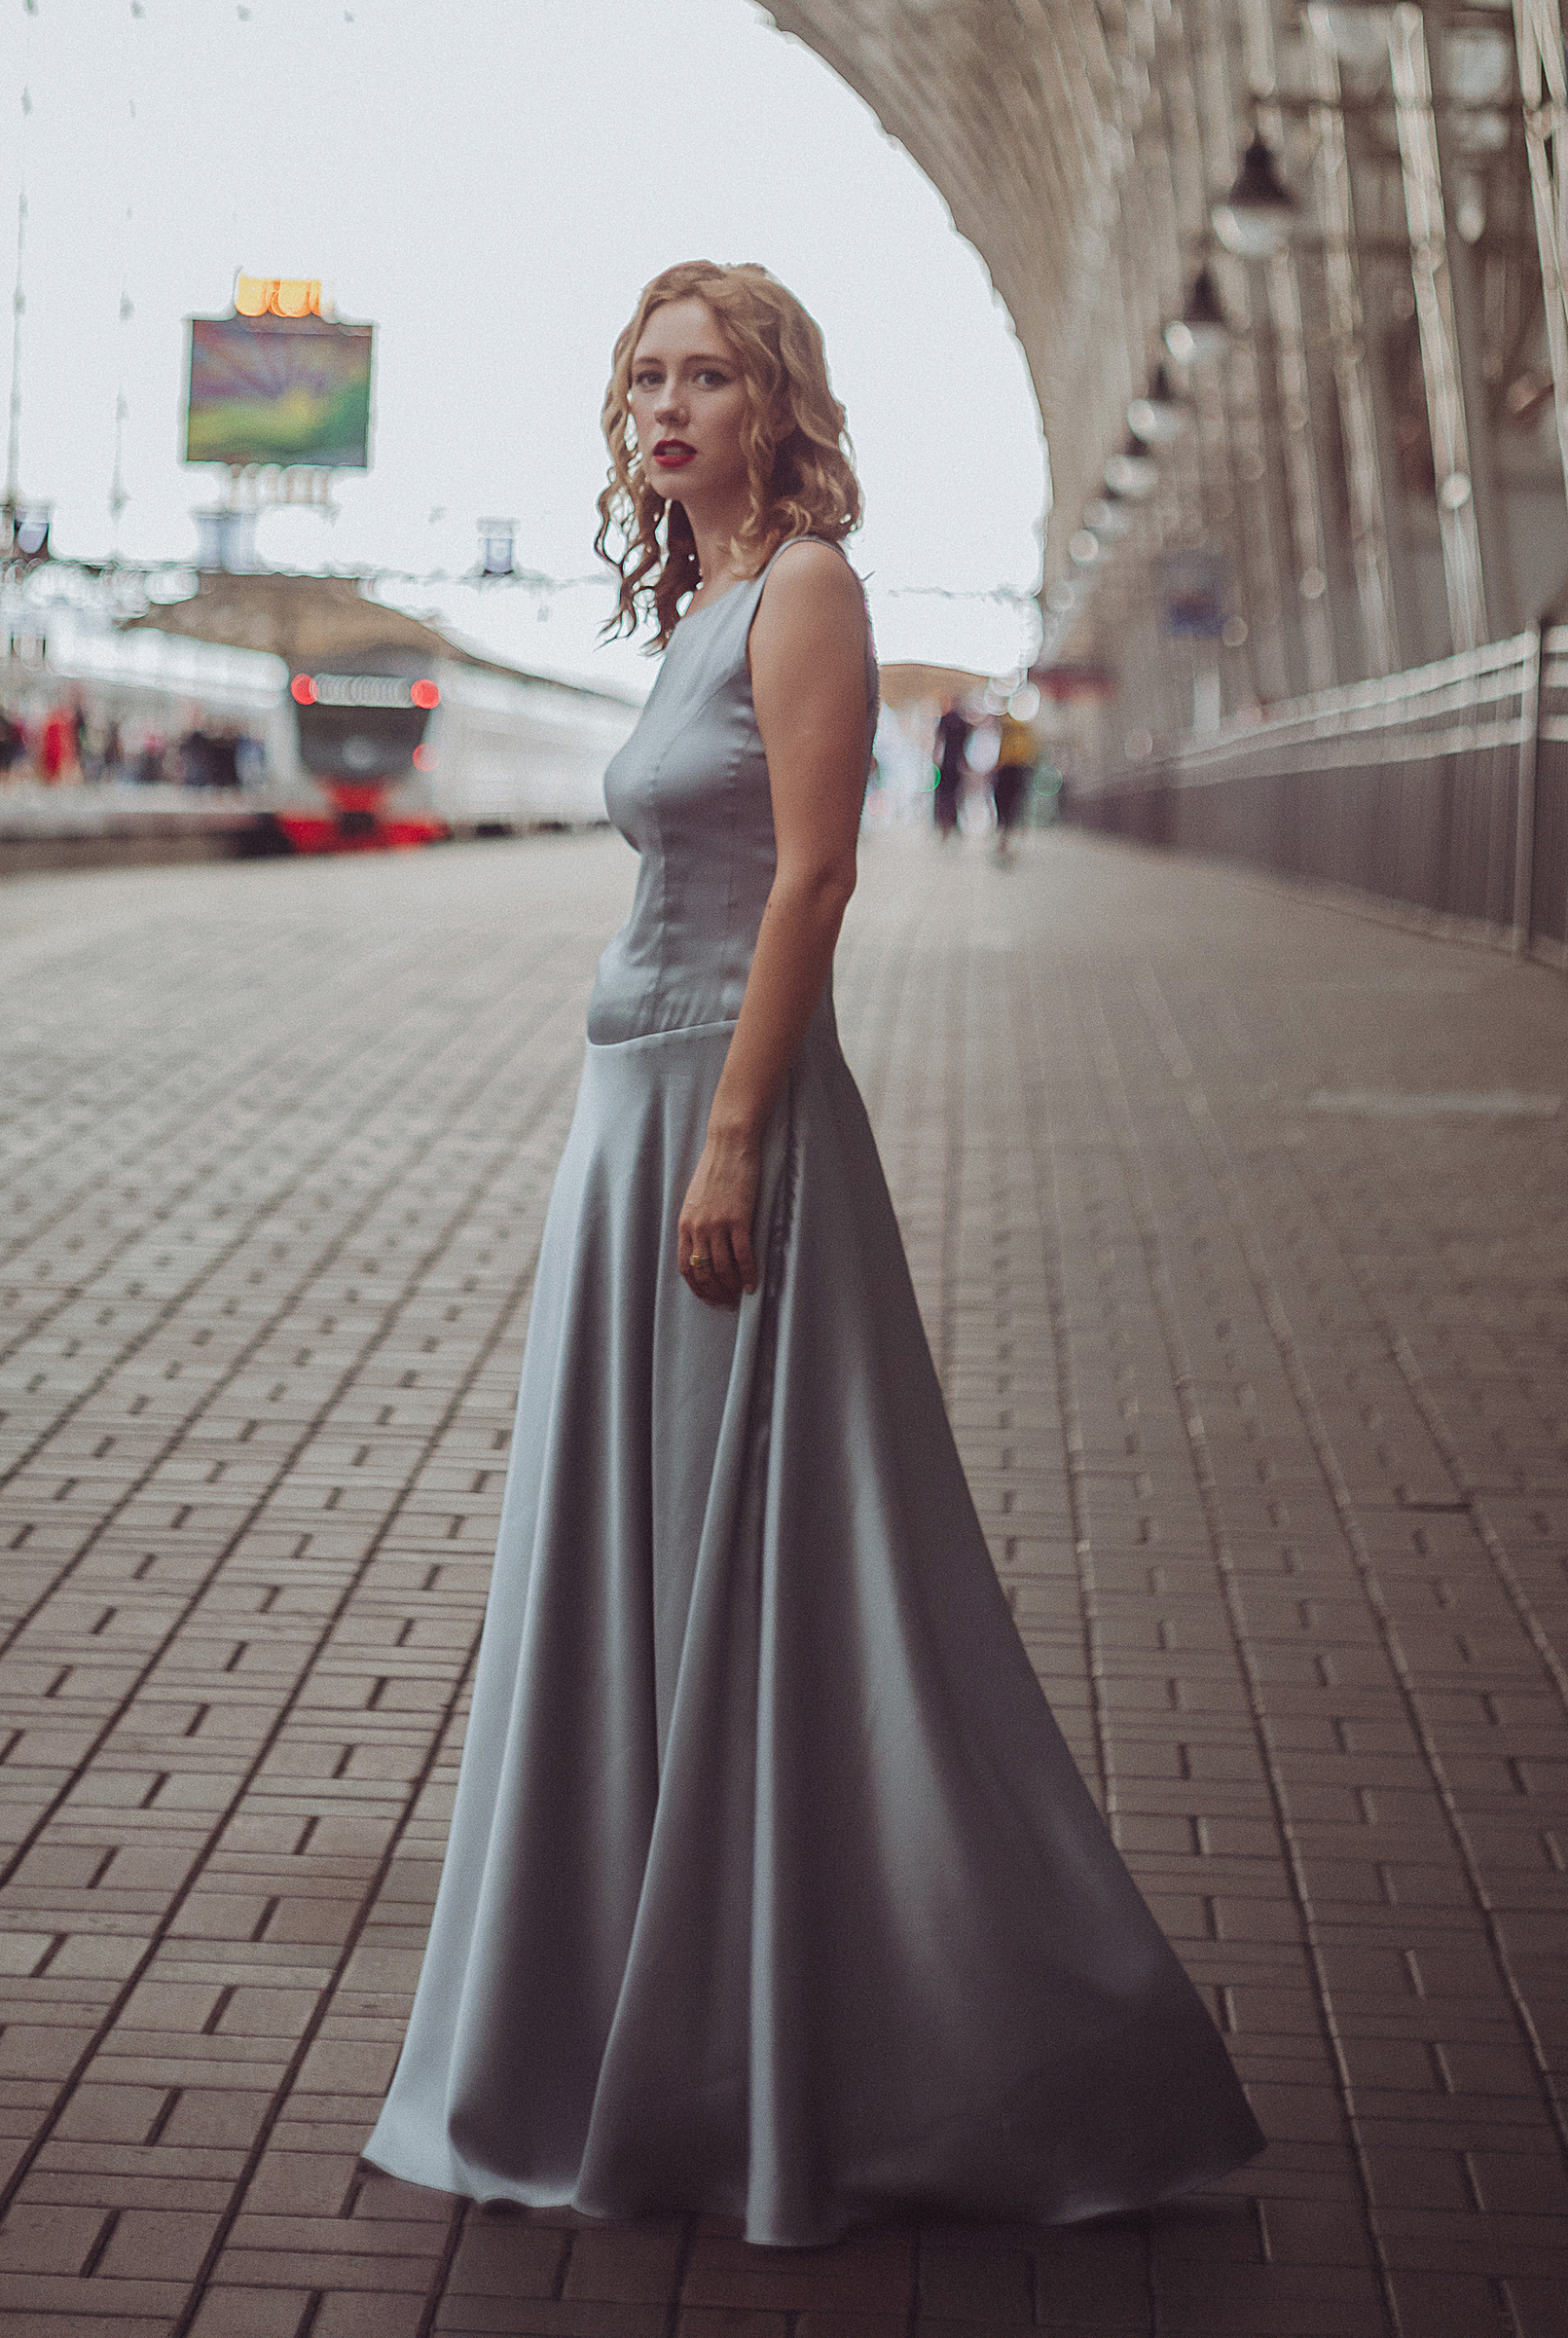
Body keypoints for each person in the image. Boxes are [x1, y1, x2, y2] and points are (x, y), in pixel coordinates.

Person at [363, 261, 1261, 2248]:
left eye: (704, 376)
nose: (663, 406)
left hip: (716, 1115)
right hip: (626, 1121)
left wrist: (736, 1141)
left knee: (768, 1580)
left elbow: (816, 873)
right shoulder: (688, 599)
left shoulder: (806, 593)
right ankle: (638, 2018)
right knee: (645, 1572)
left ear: (778, 405)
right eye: (643, 377)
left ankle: (866, 2047)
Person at [991, 699, 1040, 859]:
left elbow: (1007, 750)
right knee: (1013, 803)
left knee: (1007, 802)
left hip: (1012, 768)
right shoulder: (1022, 728)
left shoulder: (1012, 726)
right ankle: (1008, 834)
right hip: (1018, 768)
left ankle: (1007, 835)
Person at [931, 689, 974, 836]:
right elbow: (964, 746)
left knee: (945, 794)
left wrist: (935, 757)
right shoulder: (963, 722)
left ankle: (945, 823)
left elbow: (939, 740)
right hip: (955, 764)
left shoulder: (948, 719)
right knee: (954, 794)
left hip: (948, 762)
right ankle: (950, 823)